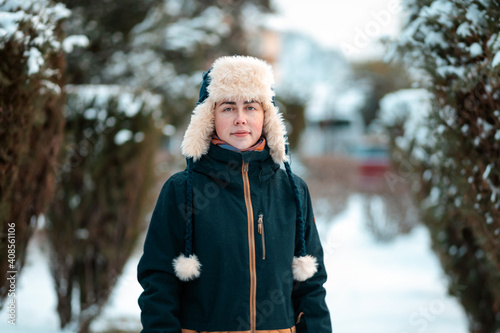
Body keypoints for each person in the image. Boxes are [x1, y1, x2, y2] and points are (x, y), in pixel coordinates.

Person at [137, 55, 332, 333]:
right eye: (228, 108)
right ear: (209, 117)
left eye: (250, 107)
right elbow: (158, 281)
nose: (240, 119)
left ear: (266, 116)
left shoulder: (293, 190)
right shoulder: (182, 190)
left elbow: (311, 284)